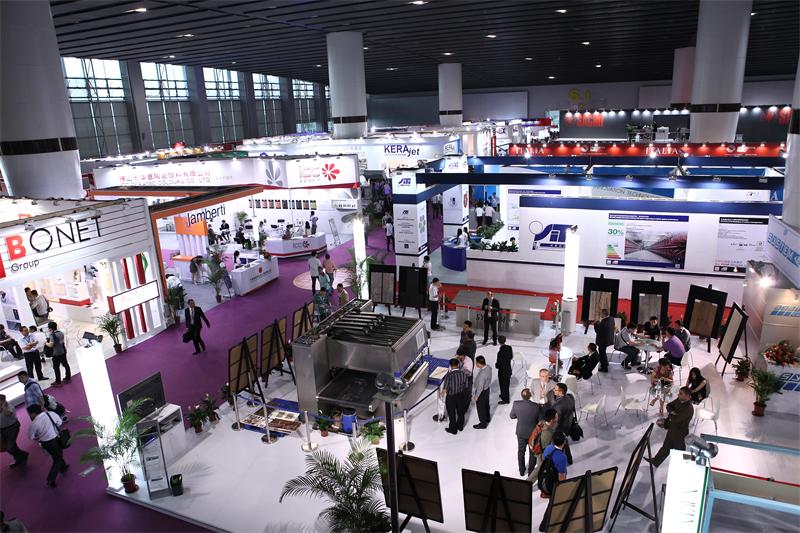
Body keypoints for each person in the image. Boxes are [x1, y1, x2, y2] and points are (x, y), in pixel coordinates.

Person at [649, 387, 694, 467]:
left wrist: (670, 414)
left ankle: (689, 464)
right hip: (672, 429)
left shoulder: (688, 408)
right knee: (666, 447)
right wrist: (672, 412)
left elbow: (676, 419)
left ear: (687, 396)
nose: (678, 394)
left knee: (680, 452)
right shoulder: (679, 400)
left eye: (681, 393)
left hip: (680, 433)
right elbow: (669, 405)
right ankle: (656, 461)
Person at [26, 404, 68, 487]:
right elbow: (59, 423)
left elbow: (30, 437)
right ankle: (50, 479)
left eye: (29, 414)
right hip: (56, 439)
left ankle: (63, 466)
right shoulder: (51, 414)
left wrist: (39, 435)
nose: (29, 416)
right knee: (57, 459)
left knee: (56, 455)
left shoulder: (34, 423)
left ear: (33, 413)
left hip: (45, 443)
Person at [510, 388, 541, 477]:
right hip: (532, 434)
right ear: (530, 396)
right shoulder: (536, 406)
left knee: (521, 451)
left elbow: (512, 416)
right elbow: (539, 420)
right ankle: (531, 472)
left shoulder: (516, 404)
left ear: (521, 396)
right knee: (532, 453)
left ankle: (521, 471)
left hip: (521, 432)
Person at [547, 383, 575, 464]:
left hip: (560, 428)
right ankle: (569, 459)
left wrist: (551, 430)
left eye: (555, 390)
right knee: (565, 442)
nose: (553, 391)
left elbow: (557, 421)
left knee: (557, 447)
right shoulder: (570, 398)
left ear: (560, 391)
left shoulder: (558, 405)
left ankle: (557, 462)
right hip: (567, 425)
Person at [528, 408, 558, 482]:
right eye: (556, 416)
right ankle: (527, 483)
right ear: (552, 420)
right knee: (539, 469)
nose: (558, 418)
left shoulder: (542, 423)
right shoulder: (548, 433)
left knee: (539, 469)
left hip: (539, 451)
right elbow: (546, 449)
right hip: (541, 454)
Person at [440, 358, 468, 434]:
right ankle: (460, 426)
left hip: (451, 397)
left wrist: (442, 394)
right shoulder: (463, 373)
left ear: (450, 365)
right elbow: (466, 385)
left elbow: (445, 388)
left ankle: (453, 429)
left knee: (451, 413)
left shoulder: (449, 375)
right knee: (461, 412)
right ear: (458, 364)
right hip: (461, 395)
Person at [538, 431, 569, 502]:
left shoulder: (548, 448)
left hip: (546, 477)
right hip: (554, 483)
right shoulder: (562, 457)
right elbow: (561, 476)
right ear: (564, 442)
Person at [1, 393, 29, 468]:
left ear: (3, 401)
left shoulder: (9, 407)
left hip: (12, 428)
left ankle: (23, 455)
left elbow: (7, 413)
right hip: (2, 430)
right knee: (11, 446)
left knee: (9, 447)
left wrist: (3, 406)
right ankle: (19, 459)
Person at [472, 356, 492, 429]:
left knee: (481, 408)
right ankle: (487, 418)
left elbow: (480, 387)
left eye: (476, 363)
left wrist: (476, 396)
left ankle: (483, 424)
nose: (475, 364)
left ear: (478, 363)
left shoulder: (482, 375)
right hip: (487, 389)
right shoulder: (489, 367)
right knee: (486, 405)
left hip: (482, 392)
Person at [495, 336, 513, 404]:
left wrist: (496, 365)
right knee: (506, 385)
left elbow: (498, 364)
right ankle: (503, 395)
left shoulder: (500, 353)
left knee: (503, 385)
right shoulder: (509, 348)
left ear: (499, 342)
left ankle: (506, 399)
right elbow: (511, 357)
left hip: (502, 372)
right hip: (508, 369)